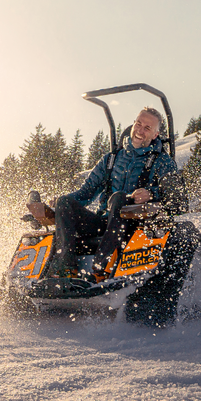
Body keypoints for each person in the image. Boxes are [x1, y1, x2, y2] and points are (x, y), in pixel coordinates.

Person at [49, 107, 180, 279]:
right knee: (65, 203)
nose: (140, 130)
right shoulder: (111, 159)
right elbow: (86, 193)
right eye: (138, 124)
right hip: (105, 221)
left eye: (147, 128)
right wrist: (60, 203)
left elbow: (175, 196)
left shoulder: (163, 162)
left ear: (155, 135)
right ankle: (66, 269)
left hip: (135, 226)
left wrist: (151, 194)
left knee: (119, 197)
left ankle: (101, 268)